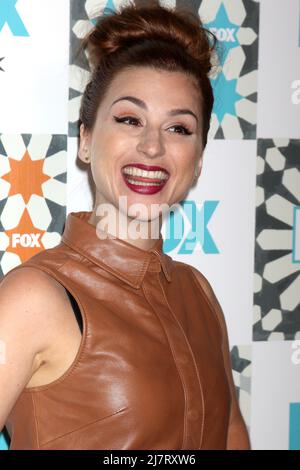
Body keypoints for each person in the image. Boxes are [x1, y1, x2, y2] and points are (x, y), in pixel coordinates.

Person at [0, 0, 251, 450]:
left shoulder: (200, 294)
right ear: (85, 141)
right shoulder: (35, 297)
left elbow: (233, 436)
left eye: (179, 128)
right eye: (130, 119)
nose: (152, 146)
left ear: (197, 162)